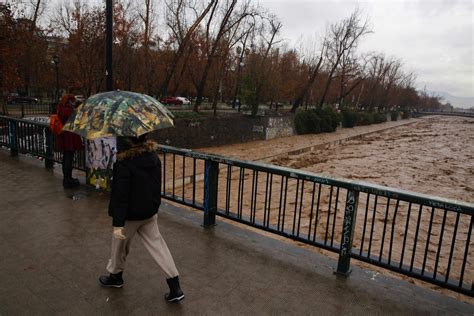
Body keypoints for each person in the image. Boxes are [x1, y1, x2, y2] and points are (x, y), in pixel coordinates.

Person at [99, 134, 184, 303]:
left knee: (119, 247)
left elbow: (121, 196)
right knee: (158, 247)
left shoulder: (124, 163)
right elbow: (155, 184)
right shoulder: (153, 157)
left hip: (130, 216)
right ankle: (175, 286)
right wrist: (154, 206)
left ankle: (115, 277)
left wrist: (117, 224)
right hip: (149, 213)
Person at [56, 94, 82, 188]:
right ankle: (67, 179)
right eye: (73, 101)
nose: (74, 102)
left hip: (64, 136)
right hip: (69, 137)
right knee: (68, 159)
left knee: (66, 158)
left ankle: (66, 178)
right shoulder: (68, 110)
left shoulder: (61, 108)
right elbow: (77, 120)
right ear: (69, 101)